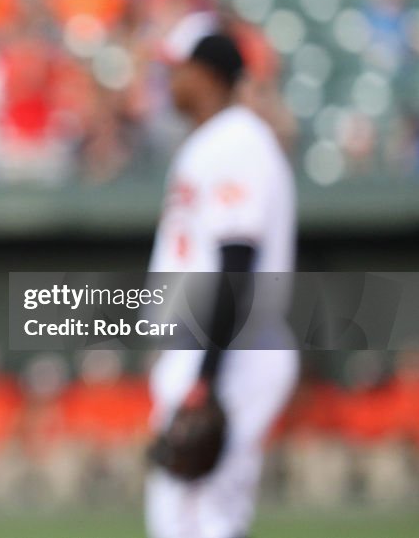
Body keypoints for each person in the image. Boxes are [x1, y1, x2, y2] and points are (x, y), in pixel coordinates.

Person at [145, 33, 298, 538]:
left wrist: (205, 377)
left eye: (178, 68)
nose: (169, 79)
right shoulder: (213, 141)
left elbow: (238, 261)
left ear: (207, 73)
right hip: (213, 347)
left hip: (232, 347)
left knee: (197, 515)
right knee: (192, 512)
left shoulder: (238, 141)